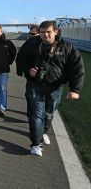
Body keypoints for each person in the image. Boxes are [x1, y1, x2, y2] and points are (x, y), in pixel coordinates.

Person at [16, 20, 84, 156]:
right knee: (36, 114)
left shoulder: (67, 47)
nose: (45, 35)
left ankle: (44, 132)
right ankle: (36, 144)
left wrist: (75, 90)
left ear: (56, 32)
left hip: (56, 87)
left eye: (48, 32)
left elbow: (77, 68)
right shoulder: (31, 43)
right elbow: (21, 59)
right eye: (42, 32)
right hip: (35, 84)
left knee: (49, 114)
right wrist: (28, 69)